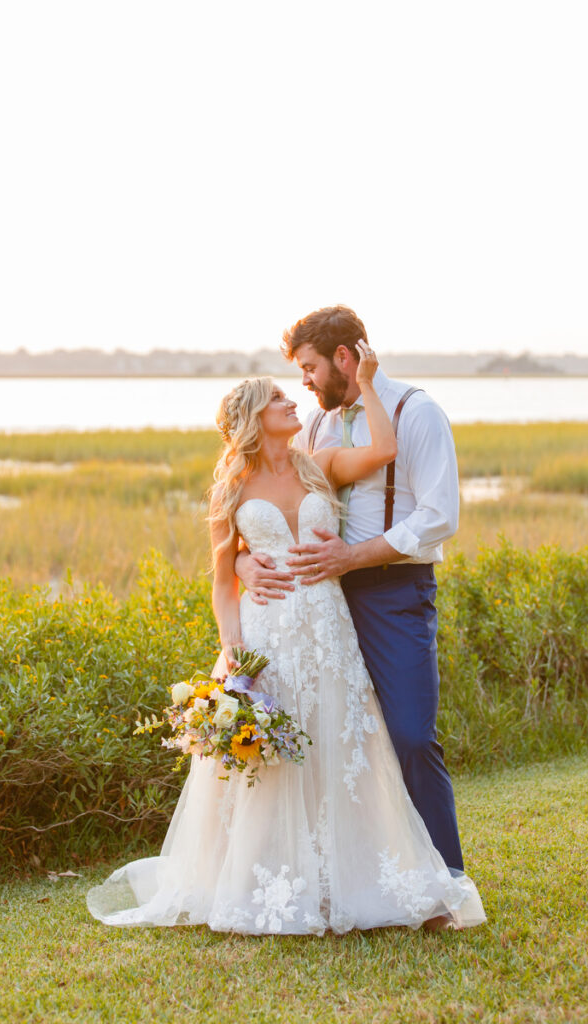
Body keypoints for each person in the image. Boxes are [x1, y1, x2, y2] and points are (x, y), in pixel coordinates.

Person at [86, 342, 485, 934]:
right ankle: (264, 879)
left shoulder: (317, 463)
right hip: (268, 632)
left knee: (340, 744)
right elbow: (222, 579)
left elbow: (384, 449)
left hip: (328, 626)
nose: (293, 396)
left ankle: (349, 877)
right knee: (273, 753)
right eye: (278, 396)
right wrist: (233, 654)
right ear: (254, 416)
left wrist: (370, 383)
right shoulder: (230, 490)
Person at [236, 305, 467, 876]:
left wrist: (353, 556)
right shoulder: (315, 426)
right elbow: (267, 509)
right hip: (320, 605)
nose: (305, 382)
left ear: (345, 358)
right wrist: (244, 565)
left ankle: (444, 879)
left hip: (393, 593)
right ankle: (353, 875)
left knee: (410, 737)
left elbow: (441, 516)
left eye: (311, 368)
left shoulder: (417, 413)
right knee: (334, 739)